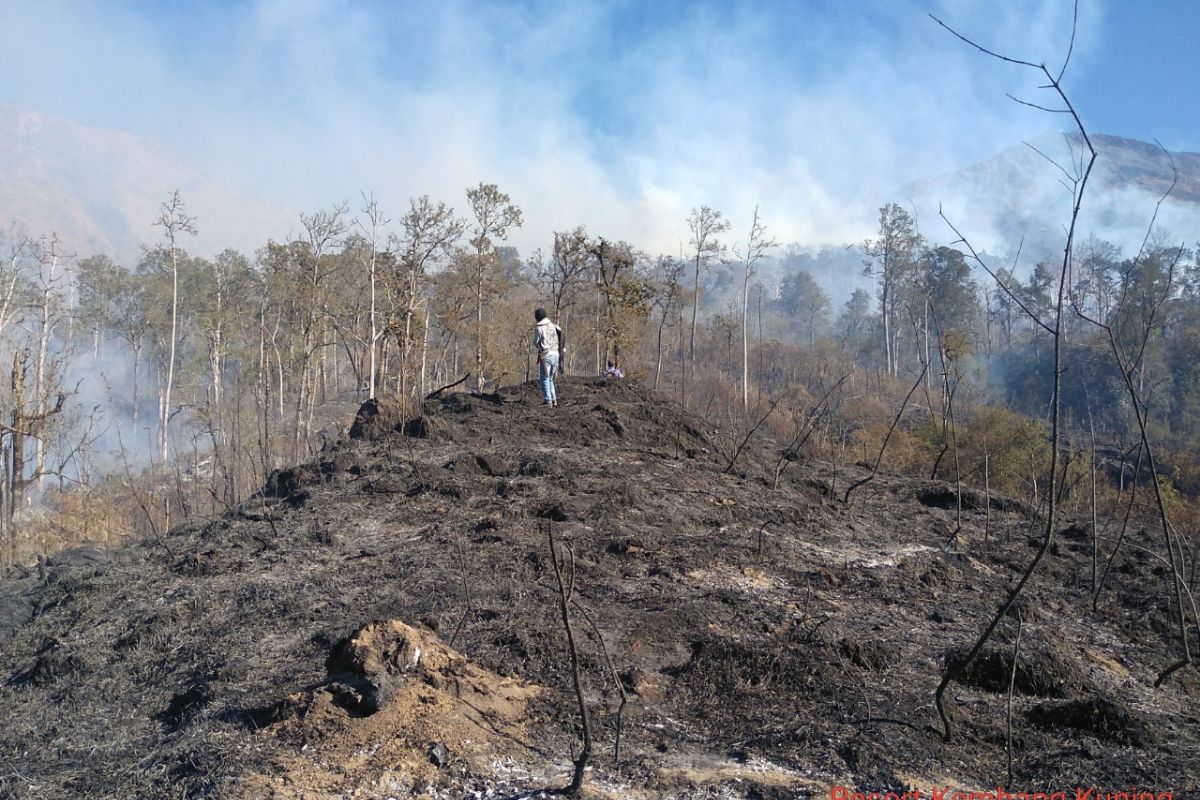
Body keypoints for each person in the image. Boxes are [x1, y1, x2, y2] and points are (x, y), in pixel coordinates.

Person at [532, 308, 562, 406]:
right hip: (556, 354)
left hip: (546, 355)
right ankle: (554, 400)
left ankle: (548, 401)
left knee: (544, 378)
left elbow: (535, 342)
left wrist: (539, 346)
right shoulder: (553, 326)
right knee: (550, 379)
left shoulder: (539, 328)